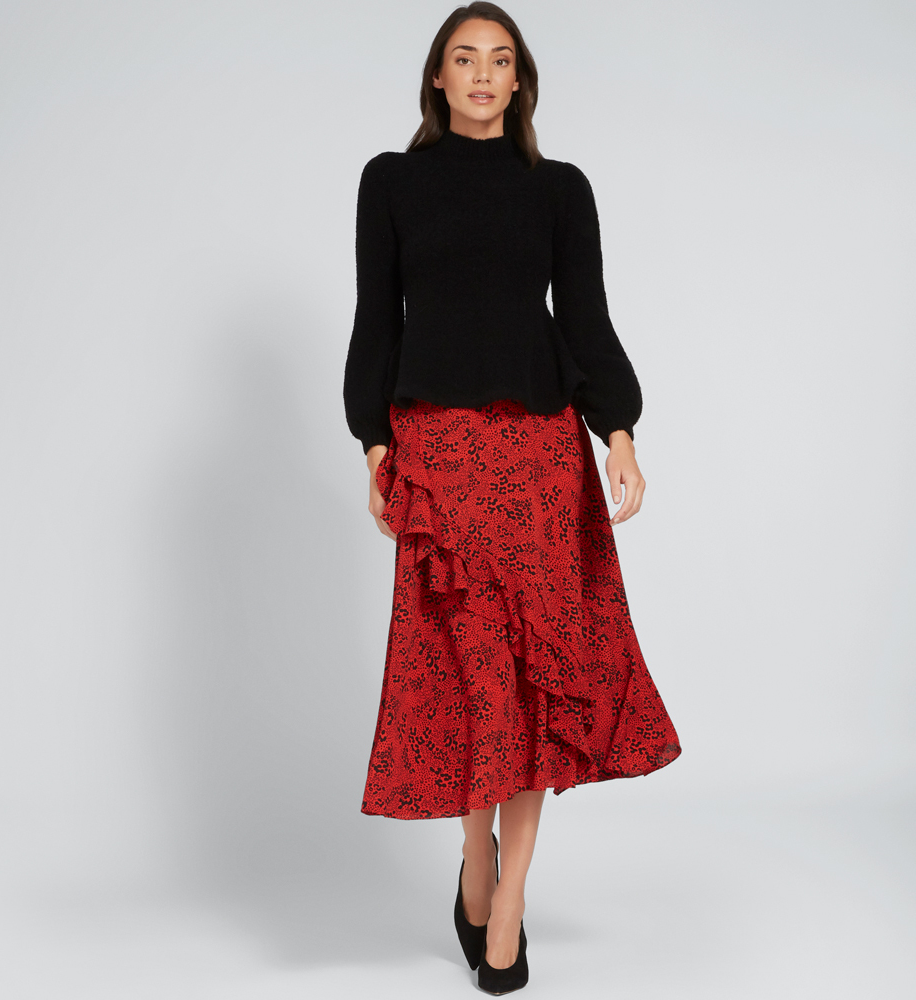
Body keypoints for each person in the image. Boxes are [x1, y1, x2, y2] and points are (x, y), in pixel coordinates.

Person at [342, 3, 681, 993]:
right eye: (465, 58)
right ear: (437, 78)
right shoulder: (391, 181)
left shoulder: (559, 189)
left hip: (538, 453)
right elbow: (377, 322)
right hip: (439, 453)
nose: (483, 74)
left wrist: (620, 434)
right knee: (469, 670)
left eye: (500, 60)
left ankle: (510, 898)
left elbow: (586, 319)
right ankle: (473, 852)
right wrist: (374, 444)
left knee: (534, 677)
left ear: (520, 80)